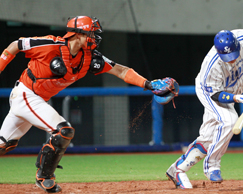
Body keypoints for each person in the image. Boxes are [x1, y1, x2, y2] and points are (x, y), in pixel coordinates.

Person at [0, 16, 158, 193]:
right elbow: (15, 45)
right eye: (91, 32)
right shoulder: (50, 45)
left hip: (36, 99)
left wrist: (148, 84)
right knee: (63, 131)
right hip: (25, 94)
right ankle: (44, 176)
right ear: (77, 34)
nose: (95, 36)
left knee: (3, 145)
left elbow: (120, 70)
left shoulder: (88, 58)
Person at [166, 29, 243, 189]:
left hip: (233, 89)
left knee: (210, 137)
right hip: (210, 92)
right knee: (229, 120)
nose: (231, 60)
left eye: (233, 54)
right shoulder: (212, 64)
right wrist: (238, 98)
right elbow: (216, 94)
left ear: (237, 44)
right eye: (227, 57)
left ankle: (178, 169)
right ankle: (212, 165)